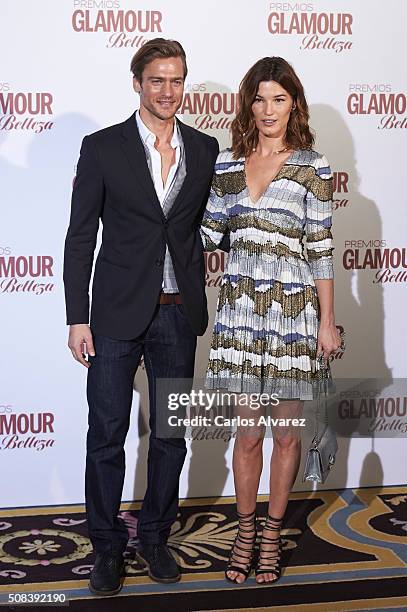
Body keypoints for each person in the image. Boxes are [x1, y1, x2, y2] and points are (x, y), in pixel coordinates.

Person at [63, 38, 220, 596]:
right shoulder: (102, 147)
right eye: (157, 80)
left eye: (176, 80)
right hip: (112, 314)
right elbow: (81, 237)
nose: (167, 91)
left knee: (171, 435)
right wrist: (77, 317)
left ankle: (154, 536)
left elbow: (208, 225)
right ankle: (106, 548)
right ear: (137, 82)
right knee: (106, 432)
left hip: (178, 315)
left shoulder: (205, 149)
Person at [200, 57, 342, 585]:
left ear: (293, 106)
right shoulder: (226, 167)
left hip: (293, 323)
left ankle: (271, 532)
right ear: (248, 105)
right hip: (239, 321)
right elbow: (206, 237)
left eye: (278, 99)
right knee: (248, 436)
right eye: (259, 99)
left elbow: (322, 249)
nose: (267, 109)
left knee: (285, 436)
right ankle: (243, 529)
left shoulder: (313, 167)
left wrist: (328, 322)